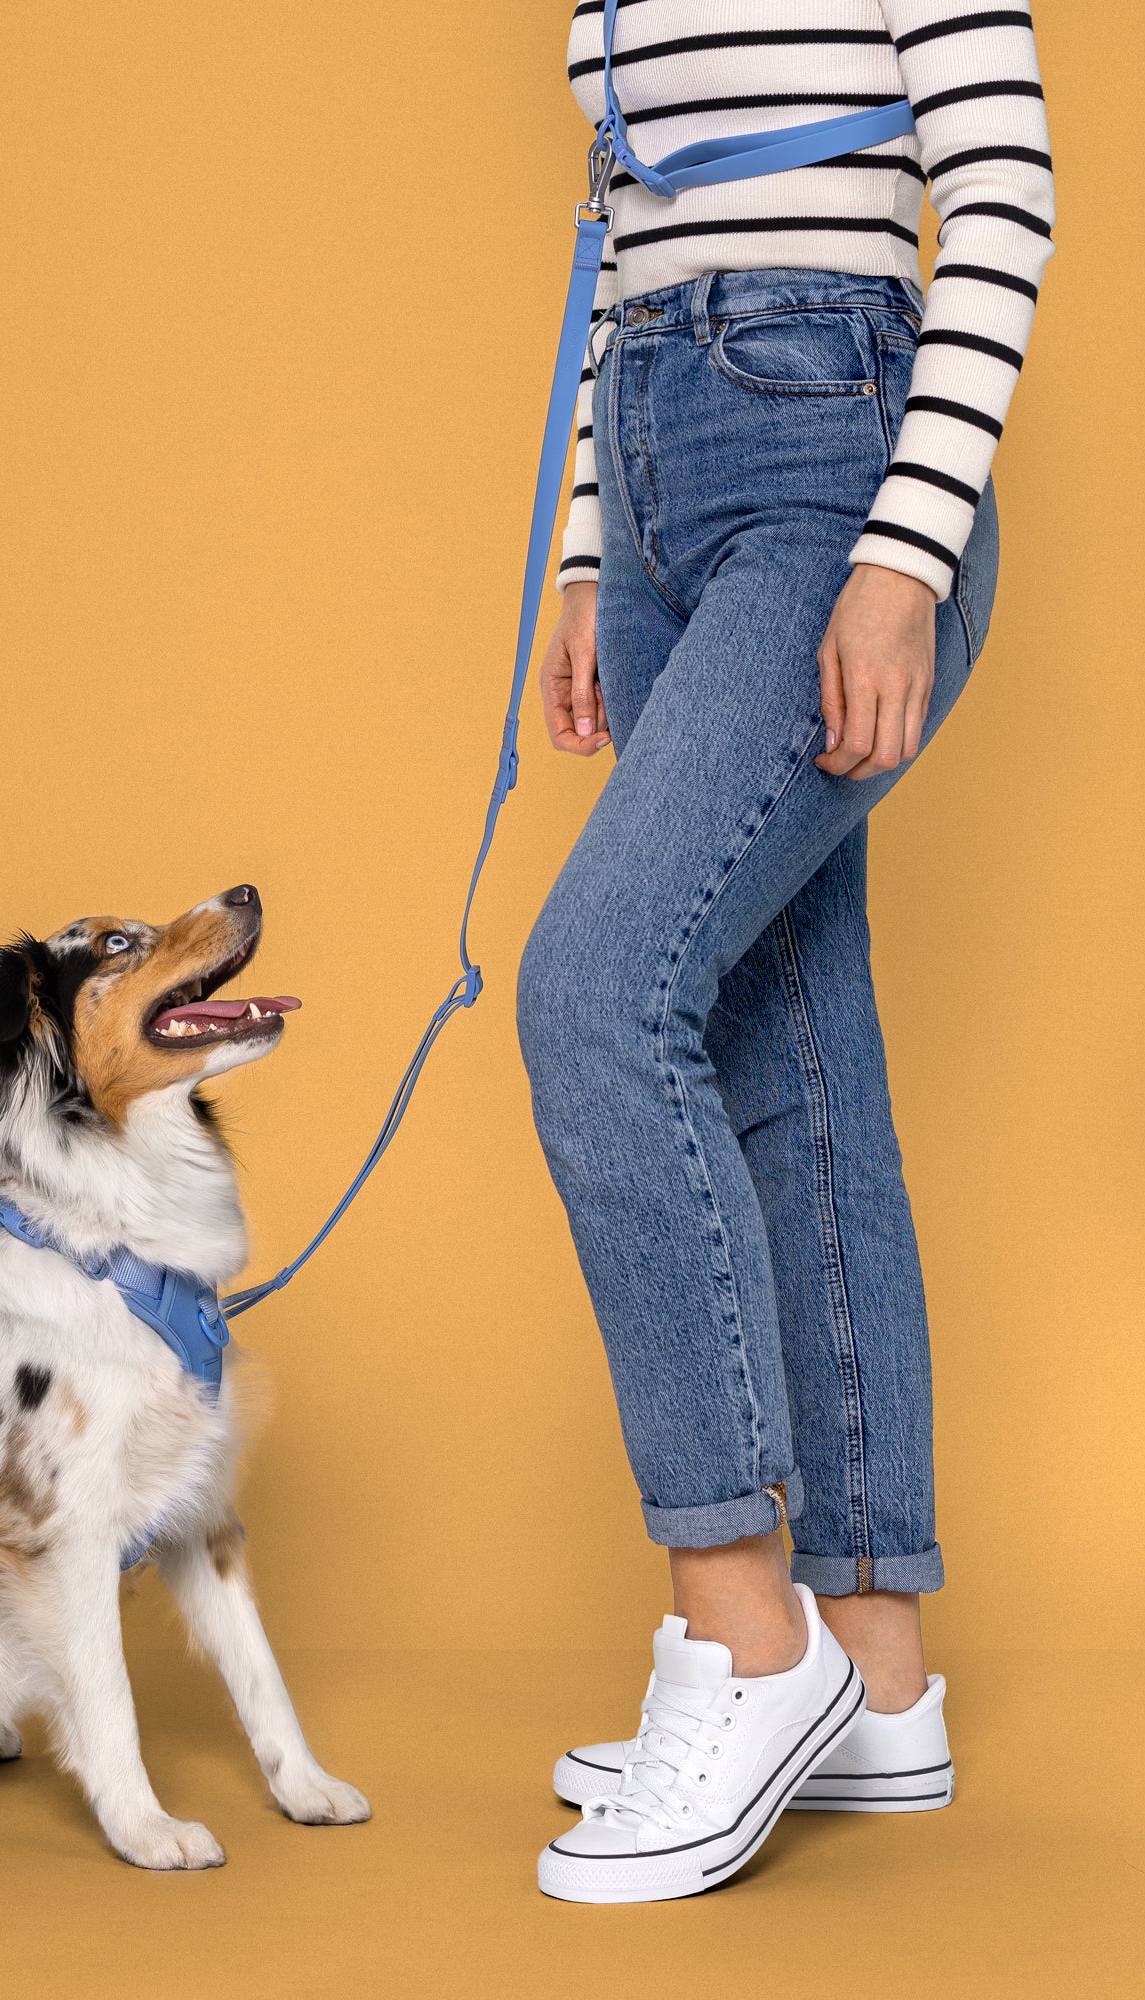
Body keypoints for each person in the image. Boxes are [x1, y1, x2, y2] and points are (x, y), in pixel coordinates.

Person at [517, 0, 1053, 1905]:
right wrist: (590, 548)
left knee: (596, 999)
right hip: (662, 466)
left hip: (837, 447)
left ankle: (747, 1646)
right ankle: (877, 1672)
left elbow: (998, 192)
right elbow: (627, 220)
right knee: (788, 1054)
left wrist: (908, 552)